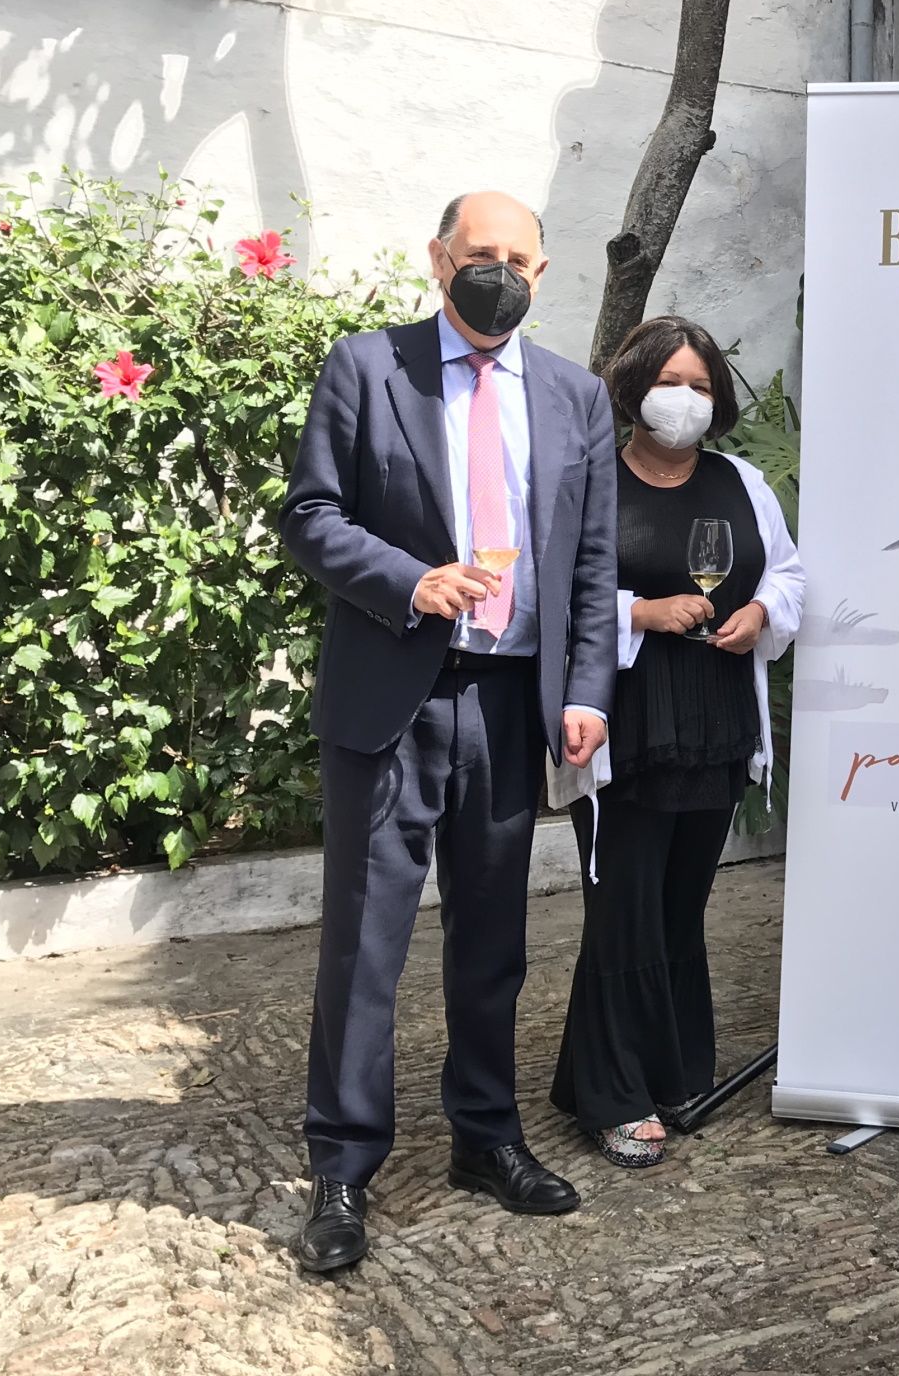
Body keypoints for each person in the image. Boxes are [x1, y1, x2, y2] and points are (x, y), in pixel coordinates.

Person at [278, 191, 617, 1273]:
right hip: (396, 693)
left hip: (514, 704)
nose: (499, 273)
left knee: (493, 942)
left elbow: (596, 567)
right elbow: (310, 516)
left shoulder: (575, 397)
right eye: (481, 254)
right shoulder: (366, 367)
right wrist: (410, 579)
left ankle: (486, 1135)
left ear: (543, 271)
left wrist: (589, 689)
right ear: (438, 258)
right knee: (364, 939)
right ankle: (342, 1163)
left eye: (519, 259)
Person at [550, 316, 804, 1168]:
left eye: (701, 386)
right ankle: (613, 1095)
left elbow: (789, 573)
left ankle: (668, 1066)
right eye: (670, 382)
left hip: (717, 723)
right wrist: (640, 613)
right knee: (621, 907)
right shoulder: (591, 482)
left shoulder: (743, 481)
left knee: (679, 909)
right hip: (623, 723)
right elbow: (555, 596)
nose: (685, 400)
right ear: (632, 389)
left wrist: (762, 612)